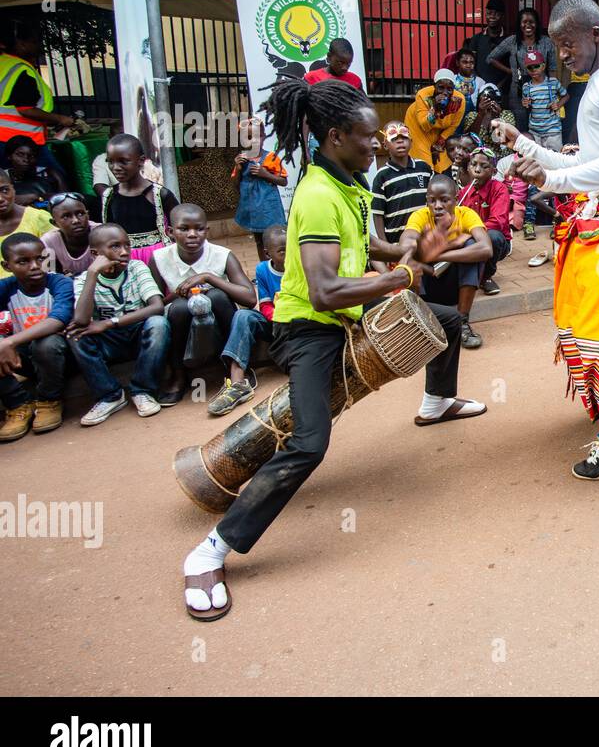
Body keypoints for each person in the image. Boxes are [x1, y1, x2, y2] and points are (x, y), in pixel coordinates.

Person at [178, 77, 469, 622]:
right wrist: (401, 276)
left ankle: (437, 400)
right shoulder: (315, 195)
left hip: (341, 314)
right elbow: (324, 289)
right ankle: (211, 550)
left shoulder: (351, 184)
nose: (376, 146)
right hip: (307, 329)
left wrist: (419, 245)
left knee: (448, 322)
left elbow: (366, 245)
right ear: (335, 136)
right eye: (366, 139)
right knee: (310, 442)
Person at [495, 0, 599, 481]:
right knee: (578, 323)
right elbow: (587, 167)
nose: (561, 55)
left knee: (598, 330)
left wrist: (551, 181)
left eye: (567, 44)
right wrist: (526, 147)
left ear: (595, 33)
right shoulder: (598, 85)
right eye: (556, 47)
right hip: (598, 218)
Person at [149, 203, 257, 404]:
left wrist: (209, 278)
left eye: (199, 229)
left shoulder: (222, 255)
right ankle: (179, 375)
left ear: (207, 231)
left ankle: (232, 364)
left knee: (217, 296)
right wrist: (180, 294)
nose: (192, 234)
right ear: (170, 232)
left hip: (218, 322)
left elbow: (250, 299)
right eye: (184, 229)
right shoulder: (159, 259)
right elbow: (153, 306)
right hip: (182, 326)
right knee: (180, 307)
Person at [67, 223, 170, 425]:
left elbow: (156, 306)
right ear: (96, 253)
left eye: (127, 246)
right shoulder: (83, 280)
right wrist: (92, 274)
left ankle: (143, 390)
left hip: (137, 335)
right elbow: (80, 320)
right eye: (115, 246)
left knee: (158, 323)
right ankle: (110, 395)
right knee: (76, 335)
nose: (124, 252)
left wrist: (109, 323)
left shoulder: (136, 268)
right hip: (109, 343)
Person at [403, 173, 495, 350]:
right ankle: (422, 322)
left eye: (444, 200)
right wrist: (424, 248)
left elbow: (486, 248)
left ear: (456, 198)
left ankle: (462, 322)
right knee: (412, 254)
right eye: (432, 201)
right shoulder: (420, 216)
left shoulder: (466, 214)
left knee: (471, 245)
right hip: (428, 287)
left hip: (456, 287)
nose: (437, 206)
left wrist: (437, 255)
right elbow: (405, 244)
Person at [208, 225, 288, 416]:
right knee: (244, 316)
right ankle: (237, 383)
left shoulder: (302, 265)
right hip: (275, 323)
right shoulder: (262, 270)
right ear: (268, 253)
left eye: (292, 248)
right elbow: (266, 304)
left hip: (297, 326)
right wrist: (278, 317)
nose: (289, 254)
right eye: (282, 251)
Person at [0, 233, 72, 441]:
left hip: (60, 356)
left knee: (46, 343)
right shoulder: (6, 288)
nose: (34, 266)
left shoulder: (59, 283)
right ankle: (18, 404)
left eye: (40, 258)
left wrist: (10, 341)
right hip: (20, 359)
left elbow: (58, 319)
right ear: (7, 266)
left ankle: (50, 400)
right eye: (23, 261)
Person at [101, 133, 179, 261]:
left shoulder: (159, 194)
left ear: (141, 161)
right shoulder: (109, 195)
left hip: (158, 259)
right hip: (124, 260)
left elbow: (179, 228)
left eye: (123, 161)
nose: (115, 168)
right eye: (110, 162)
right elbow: (108, 231)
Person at [0, 18, 75, 148]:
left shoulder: (4, 63)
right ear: (21, 44)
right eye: (33, 42)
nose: (38, 46)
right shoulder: (21, 69)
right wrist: (60, 119)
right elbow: (26, 109)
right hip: (20, 140)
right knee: (52, 168)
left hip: (9, 139)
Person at [455, 149, 513, 303]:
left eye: (484, 166)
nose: (477, 169)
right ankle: (469, 278)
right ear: (468, 168)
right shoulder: (463, 193)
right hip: (472, 239)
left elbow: (498, 221)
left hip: (496, 240)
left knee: (493, 237)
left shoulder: (500, 189)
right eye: (473, 165)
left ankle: (486, 276)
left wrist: (472, 233)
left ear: (493, 171)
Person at [489, 6, 556, 130]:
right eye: (524, 22)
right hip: (518, 90)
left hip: (541, 90)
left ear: (537, 24)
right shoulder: (513, 41)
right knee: (520, 126)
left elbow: (552, 69)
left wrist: (552, 93)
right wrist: (511, 71)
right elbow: (491, 58)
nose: (528, 25)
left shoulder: (546, 42)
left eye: (531, 22)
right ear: (520, 24)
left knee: (541, 125)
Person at [231, 117, 287, 262]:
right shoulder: (241, 159)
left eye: (257, 136)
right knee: (259, 241)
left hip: (269, 208)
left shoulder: (271, 158)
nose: (253, 141)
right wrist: (237, 168)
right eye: (248, 137)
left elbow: (283, 181)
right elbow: (235, 184)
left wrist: (265, 174)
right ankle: (264, 268)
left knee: (275, 239)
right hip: (252, 209)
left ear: (263, 137)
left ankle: (279, 266)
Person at [371, 121, 433, 244]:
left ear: (411, 141)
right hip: (396, 243)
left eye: (404, 138)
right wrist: (385, 246)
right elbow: (378, 214)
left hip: (426, 239)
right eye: (394, 139)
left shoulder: (424, 168)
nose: (400, 141)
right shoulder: (382, 176)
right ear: (385, 145)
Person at [405, 69, 466, 172]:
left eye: (449, 89)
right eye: (441, 88)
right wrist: (435, 109)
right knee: (425, 166)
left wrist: (438, 145)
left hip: (439, 133)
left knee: (442, 165)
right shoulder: (422, 95)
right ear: (434, 86)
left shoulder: (459, 100)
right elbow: (425, 125)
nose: (445, 93)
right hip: (419, 131)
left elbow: (453, 125)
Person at [0, 169, 53, 278]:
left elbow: (52, 264)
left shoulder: (39, 218)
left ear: (13, 189)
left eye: (5, 190)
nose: (0, 198)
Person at [521, 49, 568, 150]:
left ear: (543, 66)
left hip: (553, 130)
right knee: (537, 160)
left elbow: (566, 96)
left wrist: (558, 105)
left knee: (555, 158)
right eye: (530, 67)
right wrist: (525, 103)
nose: (533, 70)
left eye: (536, 66)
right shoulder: (526, 87)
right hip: (534, 131)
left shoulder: (553, 82)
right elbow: (526, 104)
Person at [41, 192, 98, 276]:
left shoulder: (103, 233)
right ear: (54, 223)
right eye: (66, 216)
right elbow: (49, 275)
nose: (76, 220)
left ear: (88, 215)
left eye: (80, 214)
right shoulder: (49, 241)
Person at [462, 0, 509, 89]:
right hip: (479, 88)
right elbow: (471, 64)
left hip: (503, 90)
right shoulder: (476, 39)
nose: (492, 16)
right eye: (489, 13)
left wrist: (499, 86)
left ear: (502, 15)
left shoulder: (509, 40)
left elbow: (512, 67)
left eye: (496, 14)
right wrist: (481, 84)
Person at [3, 135, 66, 204]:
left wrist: (36, 197)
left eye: (31, 156)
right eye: (20, 154)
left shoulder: (49, 173)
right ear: (9, 156)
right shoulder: (3, 176)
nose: (26, 159)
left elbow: (66, 198)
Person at [459, 83, 515, 148]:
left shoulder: (506, 114)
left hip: (500, 155)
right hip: (478, 156)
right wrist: (480, 114)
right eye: (485, 96)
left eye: (492, 96)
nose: (489, 99)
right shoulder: (472, 115)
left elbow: (500, 142)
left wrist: (496, 117)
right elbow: (469, 140)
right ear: (479, 100)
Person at [451, 48, 486, 112]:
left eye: (471, 62)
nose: (468, 65)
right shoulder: (452, 79)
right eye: (465, 62)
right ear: (457, 63)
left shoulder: (480, 82)